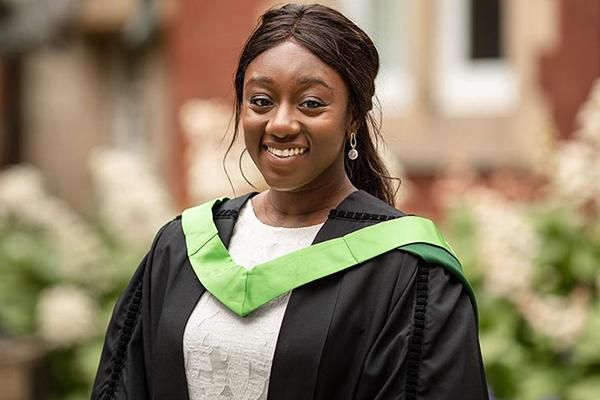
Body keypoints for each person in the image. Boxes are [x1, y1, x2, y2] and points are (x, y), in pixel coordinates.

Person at [92, 3, 489, 400]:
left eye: (311, 103)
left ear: (353, 117)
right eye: (261, 101)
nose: (281, 124)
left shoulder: (407, 269)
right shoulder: (180, 247)